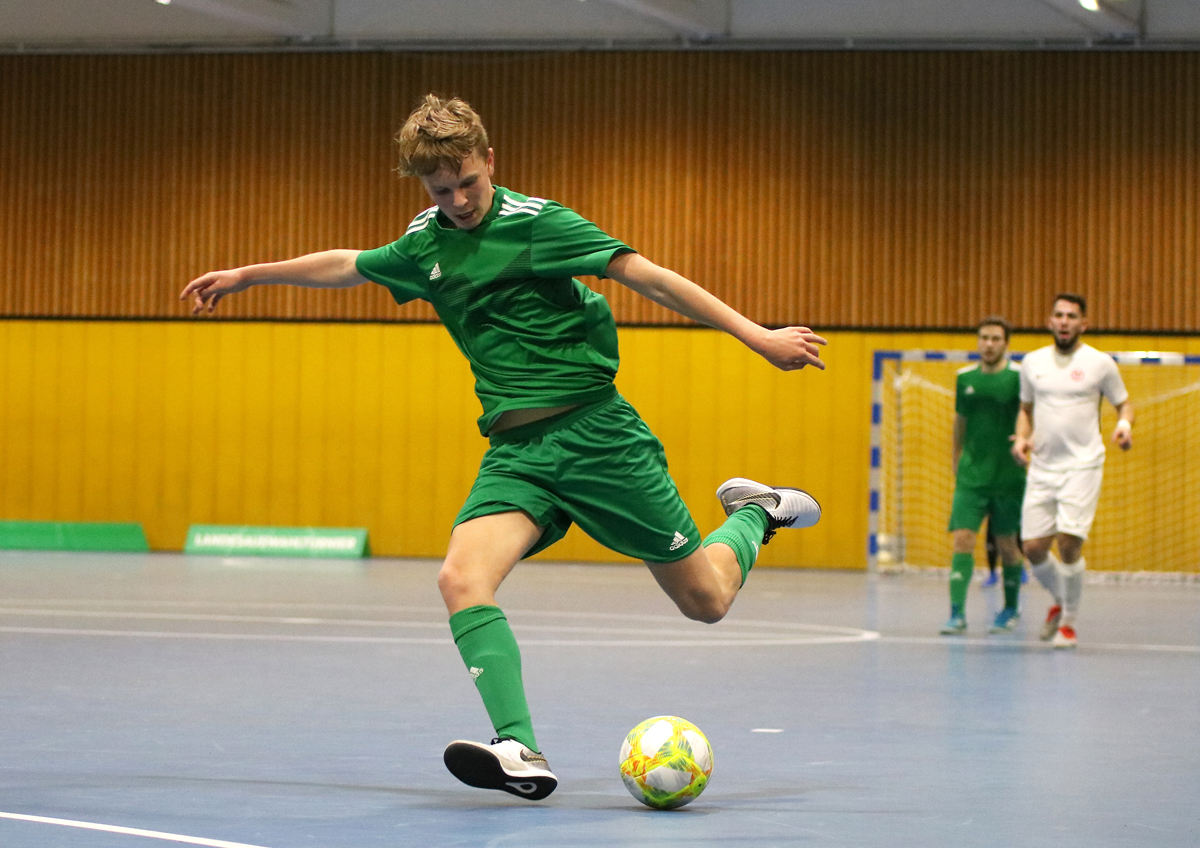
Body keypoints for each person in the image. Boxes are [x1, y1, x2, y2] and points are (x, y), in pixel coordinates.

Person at [180, 94, 826, 800]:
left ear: (490, 161)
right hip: (517, 455)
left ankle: (757, 512)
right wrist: (248, 275)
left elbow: (650, 278)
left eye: (468, 182)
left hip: (599, 438)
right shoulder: (425, 245)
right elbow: (349, 264)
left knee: (706, 600)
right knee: (460, 579)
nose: (458, 201)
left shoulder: (539, 224)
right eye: (441, 190)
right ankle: (519, 748)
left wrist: (758, 336)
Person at [1011, 294, 1133, 649]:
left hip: (1083, 464)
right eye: (1059, 315)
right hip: (1043, 466)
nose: (1064, 321)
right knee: (1033, 547)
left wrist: (1124, 425)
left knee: (1068, 542)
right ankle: (1061, 600)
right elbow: (1026, 409)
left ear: (1083, 324)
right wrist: (1022, 439)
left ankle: (1068, 623)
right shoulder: (1032, 363)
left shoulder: (1100, 363)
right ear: (1049, 322)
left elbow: (1124, 404)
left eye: (1071, 316)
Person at [940, 317, 1026, 636]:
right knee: (962, 539)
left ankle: (1010, 608)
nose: (989, 344)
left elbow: (1029, 417)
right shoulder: (965, 378)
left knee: (1007, 544)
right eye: (984, 338)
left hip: (1009, 476)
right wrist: (956, 460)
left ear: (1006, 343)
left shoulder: (1019, 377)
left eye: (995, 339)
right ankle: (957, 613)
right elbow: (960, 422)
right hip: (972, 476)